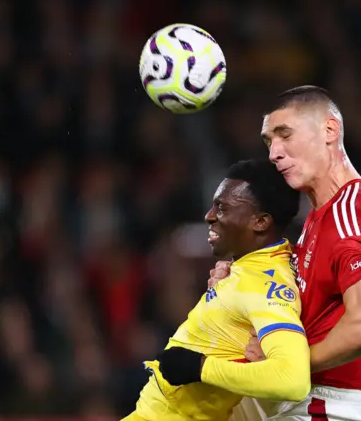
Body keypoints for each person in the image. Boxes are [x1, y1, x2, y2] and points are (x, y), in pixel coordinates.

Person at [203, 86, 361, 421]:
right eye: (269, 141)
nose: (274, 153)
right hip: (305, 404)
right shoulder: (322, 216)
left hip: (322, 407)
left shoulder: (353, 210)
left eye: (285, 135)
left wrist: (287, 365)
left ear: (329, 130)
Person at [121, 159, 309, 421]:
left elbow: (292, 380)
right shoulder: (244, 269)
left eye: (222, 208)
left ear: (260, 222)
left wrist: (200, 368)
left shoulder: (263, 284)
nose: (209, 215)